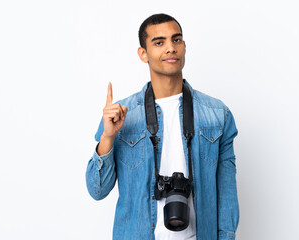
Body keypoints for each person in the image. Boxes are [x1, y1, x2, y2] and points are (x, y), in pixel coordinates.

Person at [86, 13, 239, 240]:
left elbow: (227, 197)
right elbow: (97, 190)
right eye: (159, 42)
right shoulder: (121, 115)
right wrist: (108, 138)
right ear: (143, 54)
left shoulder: (217, 115)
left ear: (185, 46)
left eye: (176, 40)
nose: (170, 48)